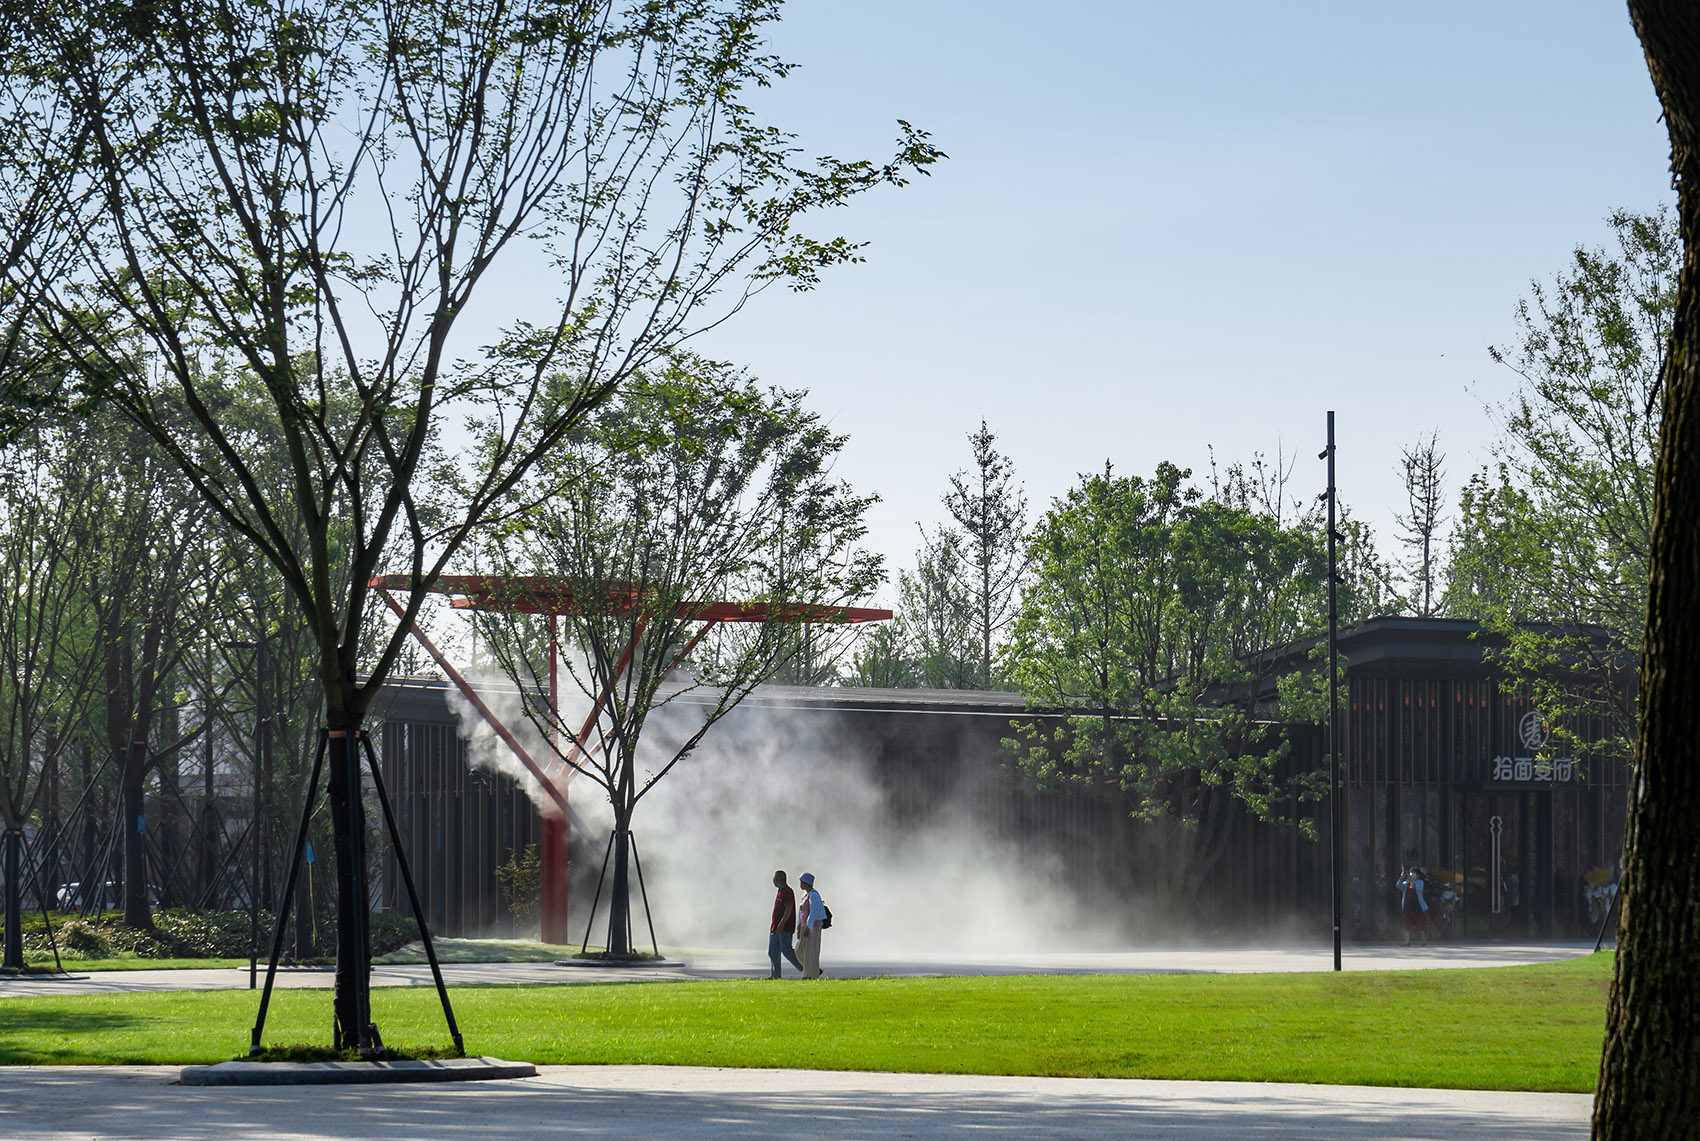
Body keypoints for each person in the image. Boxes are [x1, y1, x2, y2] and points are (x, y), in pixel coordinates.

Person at [767, 871, 803, 979]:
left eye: (774, 879)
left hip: (784, 928)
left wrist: (782, 923)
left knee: (787, 951)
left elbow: (789, 908)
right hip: (775, 928)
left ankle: (806, 968)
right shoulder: (780, 891)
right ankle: (775, 975)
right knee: (773, 951)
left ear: (777, 880)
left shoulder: (787, 891)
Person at [796, 871, 824, 979]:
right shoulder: (805, 895)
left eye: (801, 881)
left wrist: (809, 926)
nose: (800, 883)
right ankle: (813, 969)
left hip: (813, 927)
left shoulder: (814, 895)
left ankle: (811, 975)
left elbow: (813, 911)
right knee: (799, 951)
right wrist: (799, 926)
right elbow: (801, 912)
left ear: (807, 883)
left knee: (811, 952)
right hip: (804, 927)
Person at [1397, 865, 1428, 946]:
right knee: (1407, 924)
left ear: (1417, 875)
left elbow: (1418, 889)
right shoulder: (1406, 883)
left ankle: (1424, 941)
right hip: (1408, 907)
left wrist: (1412, 881)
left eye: (1414, 873)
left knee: (1421, 924)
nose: (1411, 874)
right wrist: (1401, 878)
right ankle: (1407, 941)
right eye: (1411, 873)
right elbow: (1398, 886)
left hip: (1418, 906)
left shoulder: (1420, 882)